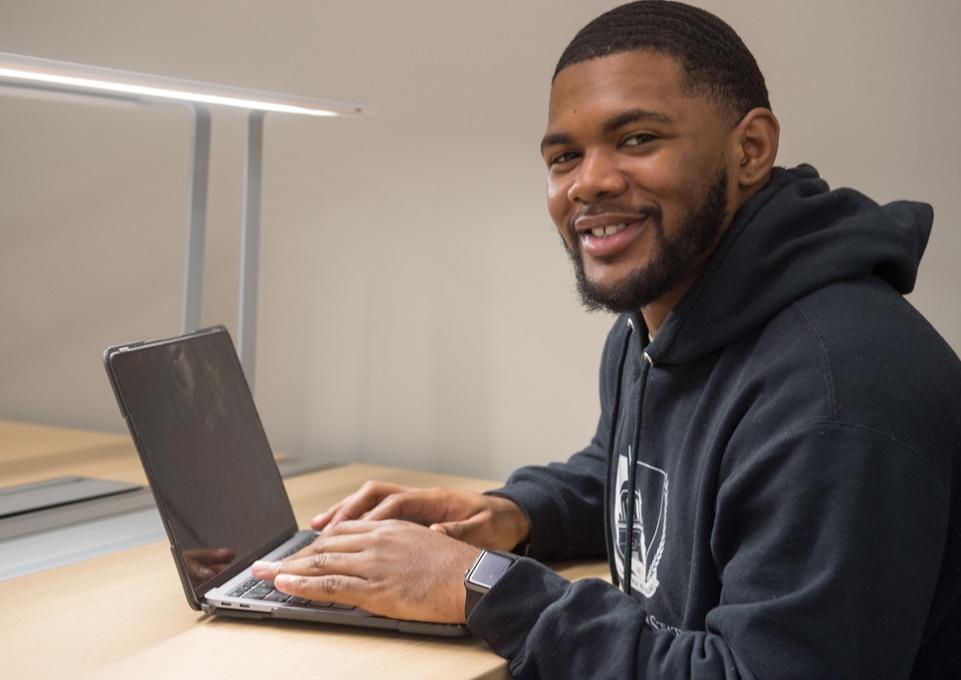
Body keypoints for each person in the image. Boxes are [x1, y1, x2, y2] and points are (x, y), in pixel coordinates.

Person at [252, 2, 961, 677]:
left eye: (636, 140)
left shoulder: (837, 392)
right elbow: (639, 481)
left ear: (749, 149)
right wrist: (507, 515)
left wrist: (479, 585)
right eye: (563, 157)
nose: (588, 183)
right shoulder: (660, 323)